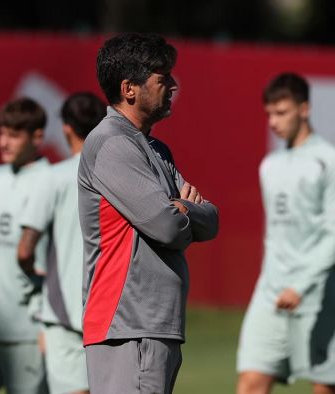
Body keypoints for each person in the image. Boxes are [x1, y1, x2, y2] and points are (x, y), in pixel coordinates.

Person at [77, 33, 219, 393]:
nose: (173, 85)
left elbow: (211, 220)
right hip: (128, 324)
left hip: (150, 324)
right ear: (129, 88)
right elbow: (166, 228)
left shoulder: (155, 148)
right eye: (162, 77)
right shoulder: (112, 143)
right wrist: (185, 210)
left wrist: (181, 207)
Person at [236, 73, 335, 394]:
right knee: (250, 382)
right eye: (269, 114)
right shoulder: (268, 165)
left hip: (318, 291)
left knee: (327, 387)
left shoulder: (331, 160)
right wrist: (275, 282)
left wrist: (300, 285)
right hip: (270, 291)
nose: (274, 121)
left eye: (282, 112)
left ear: (304, 109)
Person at [18, 92, 107, 394]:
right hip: (111, 311)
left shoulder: (53, 177)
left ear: (66, 128)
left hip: (63, 313)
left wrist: (33, 273)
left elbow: (25, 249)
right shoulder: (115, 175)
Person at [0, 97, 50, 394]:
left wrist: (47, 323)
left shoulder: (52, 182)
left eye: (14, 134)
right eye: (1, 133)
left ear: (37, 136)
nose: (4, 142)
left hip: (28, 329)